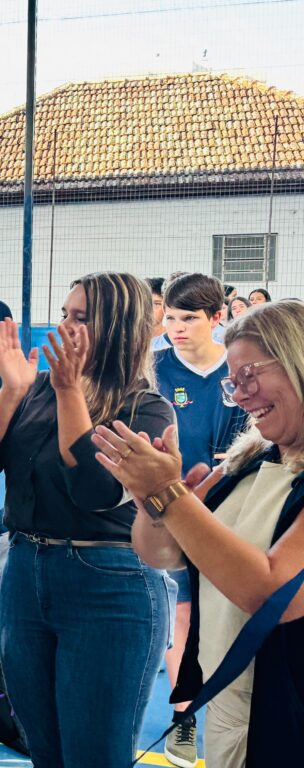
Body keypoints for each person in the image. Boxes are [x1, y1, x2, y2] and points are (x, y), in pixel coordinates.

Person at [0, 273, 176, 768]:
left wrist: (69, 391)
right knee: (44, 747)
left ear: (118, 329)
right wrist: (12, 391)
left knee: (95, 753)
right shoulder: (38, 390)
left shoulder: (146, 409)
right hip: (25, 575)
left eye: (82, 318)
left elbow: (95, 490)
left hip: (109, 586)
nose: (65, 327)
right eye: (64, 314)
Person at [92, 299, 304, 768]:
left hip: (285, 708)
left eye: (249, 376)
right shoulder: (248, 458)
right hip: (231, 698)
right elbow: (161, 553)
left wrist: (170, 497)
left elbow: (275, 592)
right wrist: (151, 504)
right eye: (234, 383)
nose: (241, 395)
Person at [155, 272, 248, 767]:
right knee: (183, 613)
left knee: (236, 613)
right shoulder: (153, 368)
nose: (176, 327)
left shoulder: (241, 366)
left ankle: (238, 710)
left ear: (217, 316)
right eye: (170, 317)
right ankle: (183, 716)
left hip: (235, 506)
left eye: (189, 318)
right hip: (172, 508)